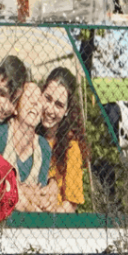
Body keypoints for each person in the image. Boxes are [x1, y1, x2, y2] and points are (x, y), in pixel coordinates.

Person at [0, 82, 52, 211]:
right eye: (29, 97)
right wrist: (26, 191)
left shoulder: (44, 147)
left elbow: (40, 195)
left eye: (38, 100)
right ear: (16, 108)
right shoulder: (0, 134)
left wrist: (18, 188)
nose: (35, 103)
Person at [36, 67, 88, 213]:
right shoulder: (29, 130)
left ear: (66, 110)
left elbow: (70, 204)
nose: (50, 110)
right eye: (48, 98)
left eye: (58, 105)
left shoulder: (72, 147)